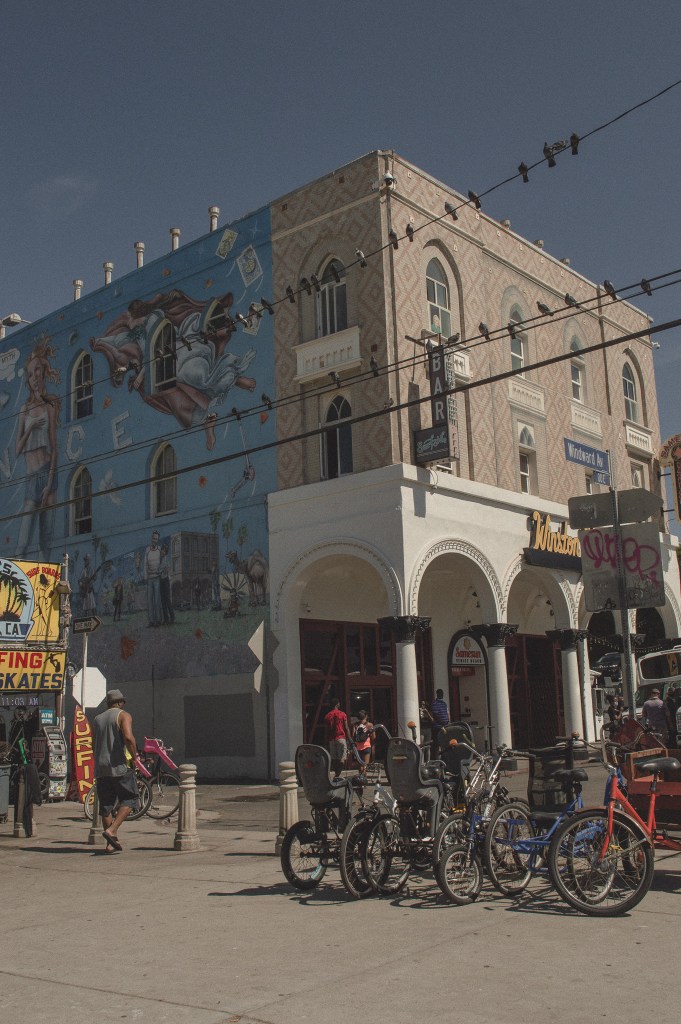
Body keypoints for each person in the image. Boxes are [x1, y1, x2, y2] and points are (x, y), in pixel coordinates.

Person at [15, 340, 60, 560]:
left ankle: (45, 591)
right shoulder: (24, 410)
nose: (34, 377)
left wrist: (50, 481)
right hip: (31, 477)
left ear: (43, 373)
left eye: (37, 372)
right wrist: (31, 426)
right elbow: (17, 449)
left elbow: (54, 445)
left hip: (48, 473)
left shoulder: (50, 406)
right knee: (22, 544)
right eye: (30, 374)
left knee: (46, 541)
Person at [93, 689, 139, 852]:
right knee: (130, 798)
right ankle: (112, 830)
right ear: (120, 703)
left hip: (101, 767)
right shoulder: (123, 716)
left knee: (106, 805)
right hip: (120, 766)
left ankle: (110, 843)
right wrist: (134, 757)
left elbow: (95, 742)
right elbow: (128, 738)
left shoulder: (98, 719)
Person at [324, 697, 352, 779]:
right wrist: (350, 739)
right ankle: (338, 775)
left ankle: (336, 774)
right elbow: (346, 727)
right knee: (343, 757)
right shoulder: (342, 714)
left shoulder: (327, 715)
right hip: (341, 737)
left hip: (332, 739)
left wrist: (326, 741)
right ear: (337, 704)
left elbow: (326, 730)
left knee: (334, 758)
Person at [144, 530, 162, 626]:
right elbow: (145, 564)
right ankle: (151, 621)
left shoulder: (159, 549)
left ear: (158, 540)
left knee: (157, 599)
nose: (154, 540)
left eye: (156, 539)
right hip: (150, 579)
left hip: (157, 578)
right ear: (151, 538)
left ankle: (158, 620)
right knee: (150, 600)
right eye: (153, 538)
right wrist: (145, 576)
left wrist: (160, 571)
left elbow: (162, 563)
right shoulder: (147, 550)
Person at [352, 710, 374, 777]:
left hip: (358, 747)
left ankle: (360, 782)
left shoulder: (355, 725)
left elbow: (353, 736)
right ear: (366, 716)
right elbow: (374, 736)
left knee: (360, 766)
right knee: (365, 765)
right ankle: (363, 781)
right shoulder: (370, 725)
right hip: (367, 746)